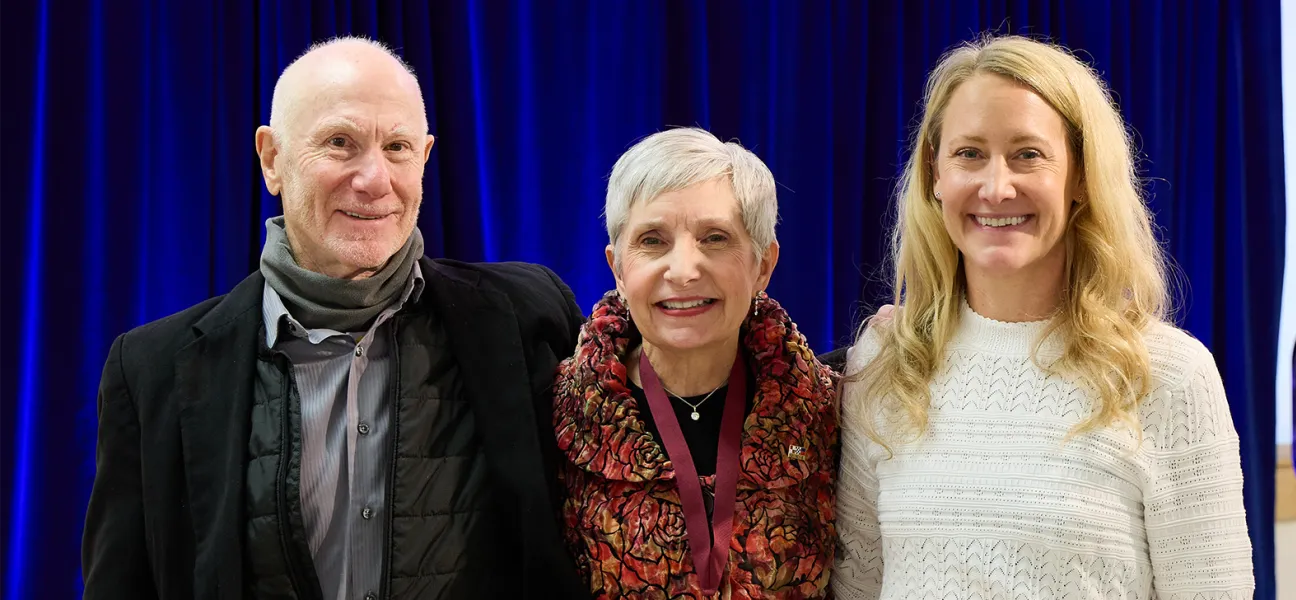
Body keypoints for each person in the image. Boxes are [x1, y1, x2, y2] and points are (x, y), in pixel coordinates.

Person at [81, 37, 587, 599]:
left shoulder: (527, 317)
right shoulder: (153, 370)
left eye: (397, 148)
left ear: (424, 158)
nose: (374, 180)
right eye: (341, 143)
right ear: (272, 158)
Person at [831, 35, 1255, 599]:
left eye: (1027, 154)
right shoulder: (886, 362)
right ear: (936, 176)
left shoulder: (1167, 374)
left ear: (1080, 177)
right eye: (969, 154)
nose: (996, 186)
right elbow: (859, 585)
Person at [552, 127, 840, 598]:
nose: (683, 269)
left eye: (714, 238)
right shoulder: (556, 418)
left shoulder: (827, 415)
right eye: (652, 240)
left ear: (762, 267)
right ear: (617, 269)